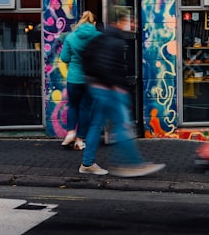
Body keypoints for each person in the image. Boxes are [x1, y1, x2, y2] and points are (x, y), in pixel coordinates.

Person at [78, 9, 164, 178]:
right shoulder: (115, 41)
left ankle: (87, 163)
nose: (134, 26)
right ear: (121, 22)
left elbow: (86, 58)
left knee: (96, 125)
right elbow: (112, 67)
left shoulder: (100, 38)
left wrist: (92, 81)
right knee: (123, 125)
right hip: (110, 89)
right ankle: (132, 164)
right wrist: (119, 87)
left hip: (97, 87)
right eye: (131, 22)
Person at [59, 11, 101, 150]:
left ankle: (71, 132)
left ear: (81, 22)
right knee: (85, 108)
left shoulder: (71, 37)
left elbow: (64, 58)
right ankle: (80, 139)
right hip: (91, 78)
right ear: (94, 23)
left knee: (73, 106)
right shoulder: (98, 37)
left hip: (74, 78)